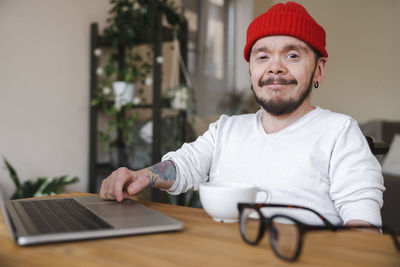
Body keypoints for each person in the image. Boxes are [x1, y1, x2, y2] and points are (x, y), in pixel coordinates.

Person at [100, 2, 384, 227]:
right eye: (262, 56)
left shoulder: (339, 131)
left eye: (292, 55)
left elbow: (363, 226)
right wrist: (142, 176)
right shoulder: (226, 129)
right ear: (251, 70)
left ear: (319, 69)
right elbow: (185, 165)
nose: (275, 67)